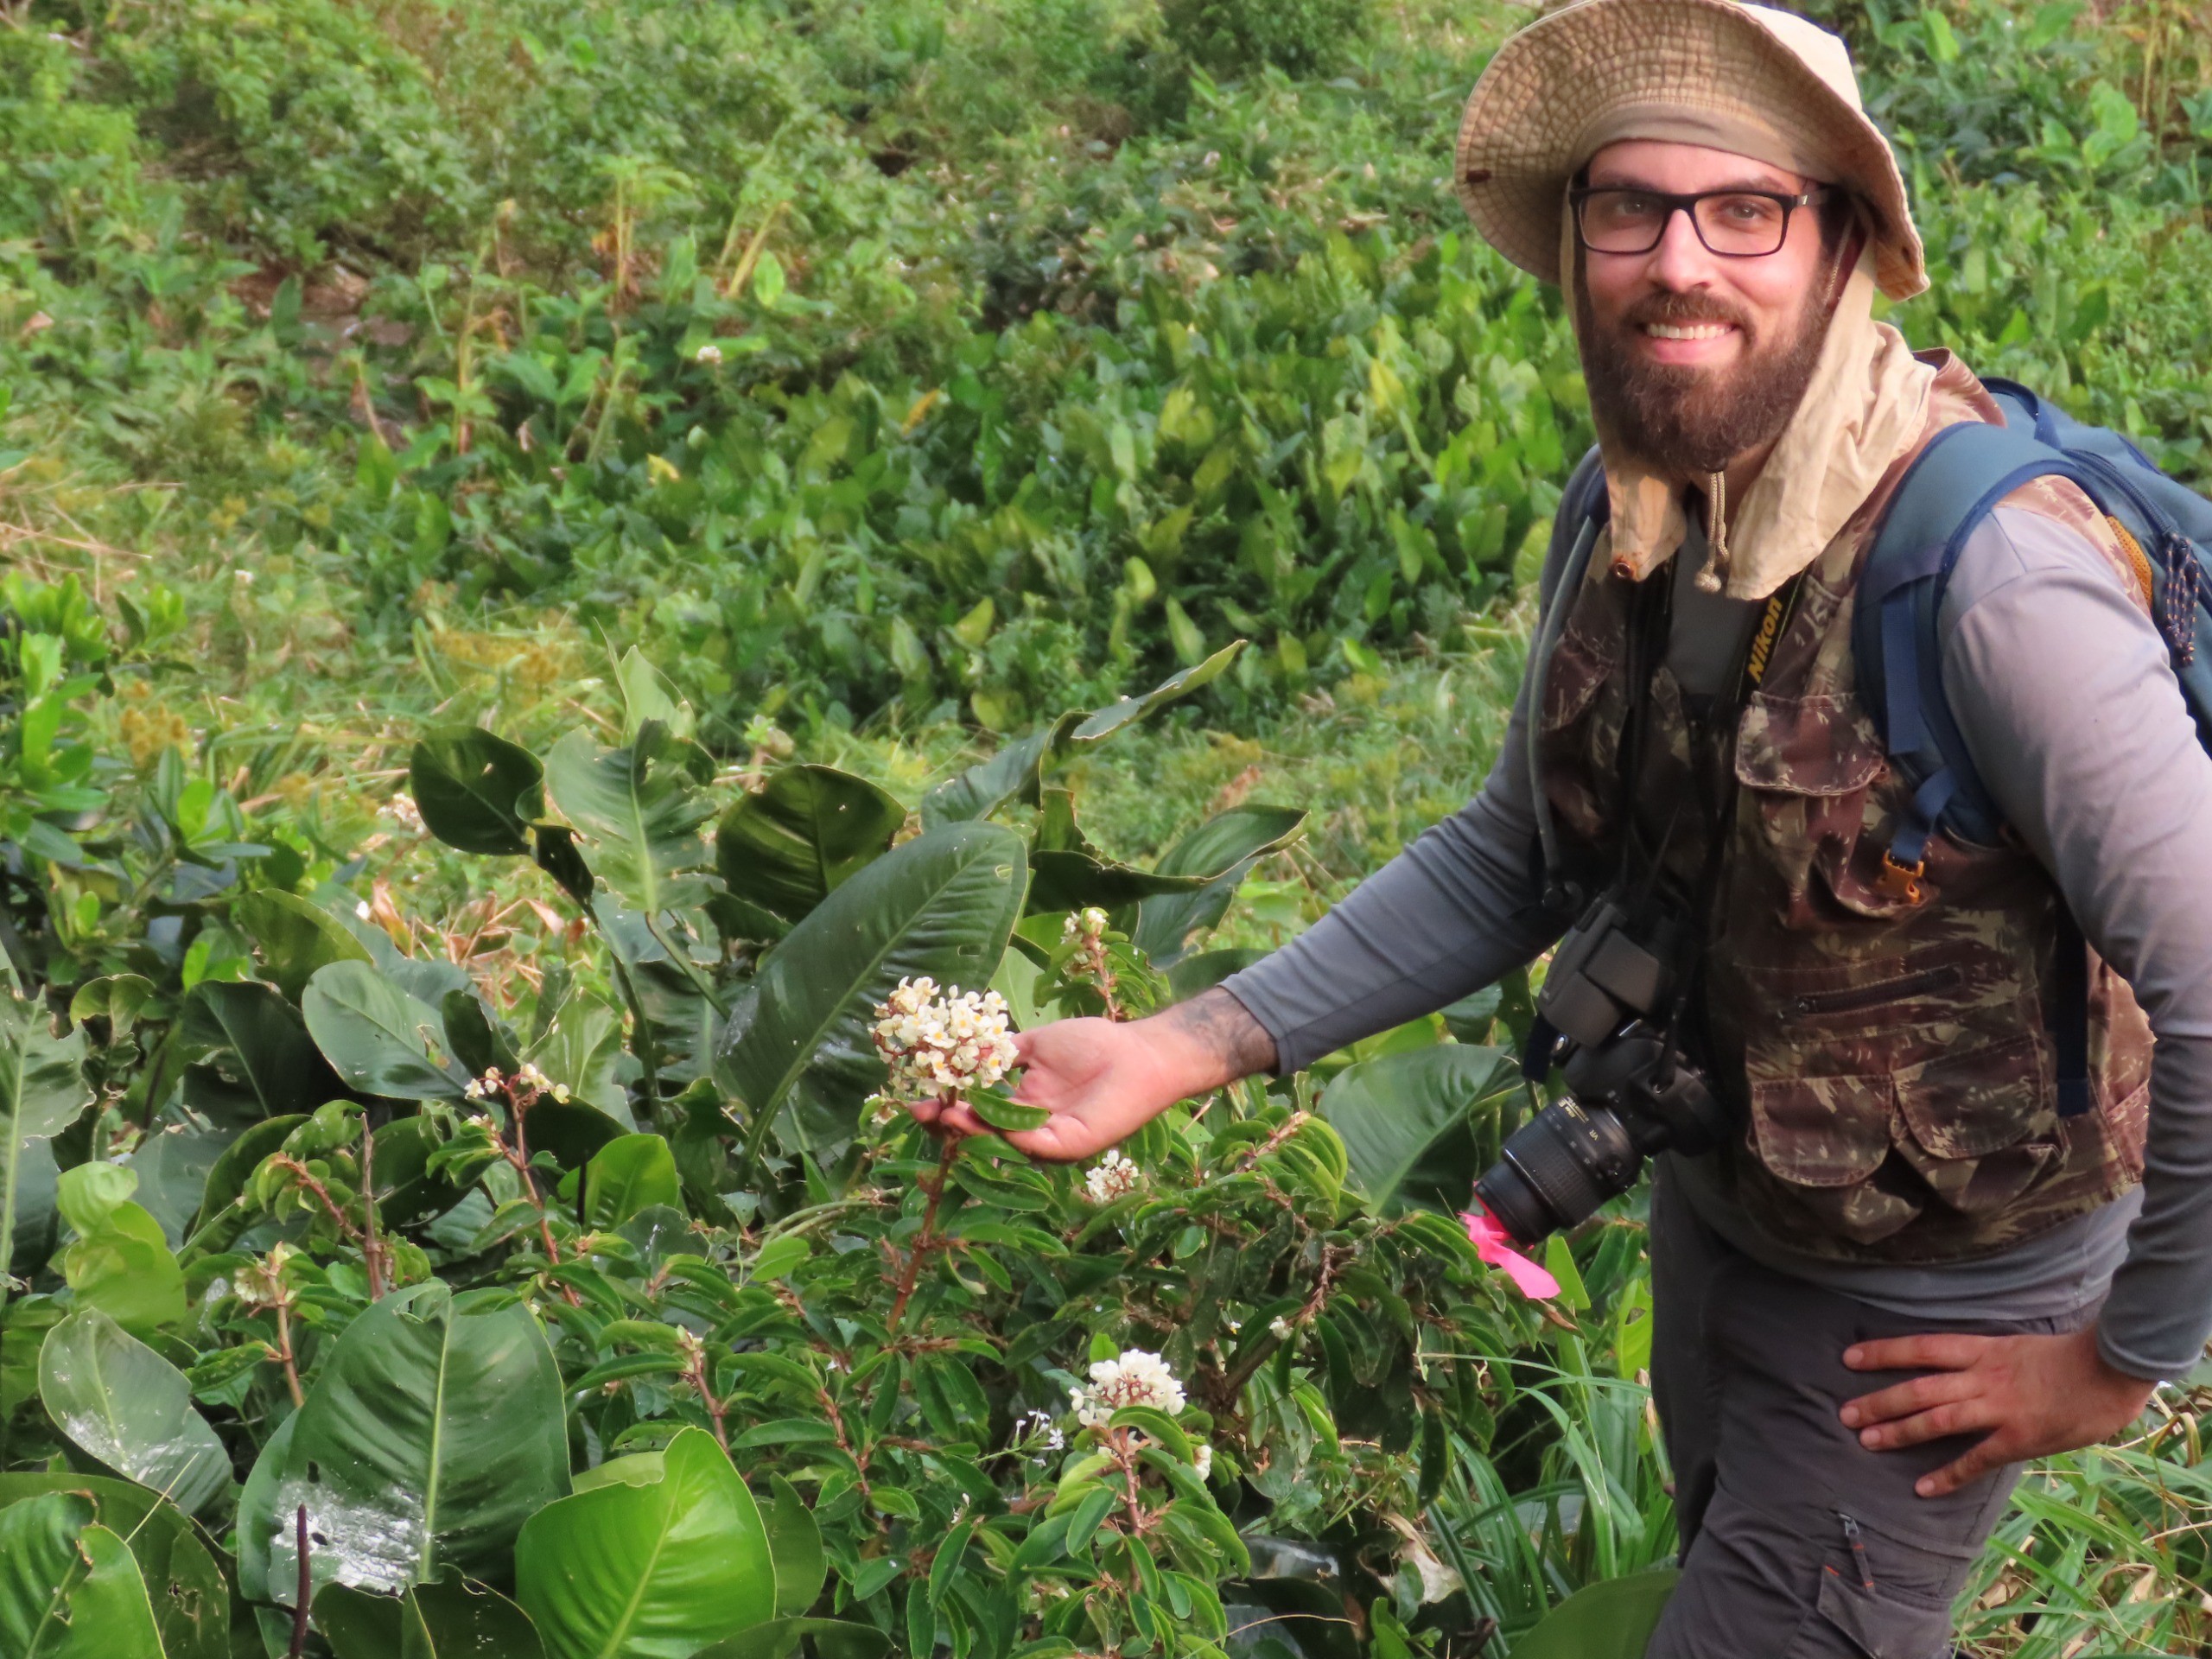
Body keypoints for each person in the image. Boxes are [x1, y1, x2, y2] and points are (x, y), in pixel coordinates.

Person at [906, 1, 2212, 1651]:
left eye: (1746, 211)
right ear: (1577, 241)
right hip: (1730, 1209)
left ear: (1847, 251)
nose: (1682, 263)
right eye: (1631, 210)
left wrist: (2120, 1363)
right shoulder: (1634, 504)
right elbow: (1523, 850)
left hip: (1934, 1297)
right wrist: (1185, 1045)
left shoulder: (1991, 578)